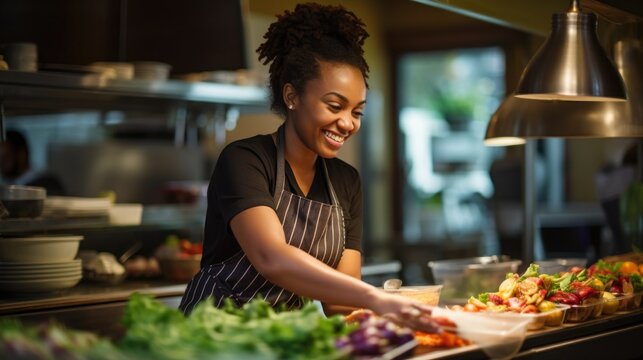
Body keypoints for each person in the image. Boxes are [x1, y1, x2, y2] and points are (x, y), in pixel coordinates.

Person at [179, 3, 426, 319]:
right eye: (334, 106)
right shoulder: (245, 160)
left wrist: (388, 322)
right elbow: (271, 257)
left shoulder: (346, 181)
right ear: (291, 96)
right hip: (213, 336)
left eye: (357, 111)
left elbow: (341, 303)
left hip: (285, 340)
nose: (348, 123)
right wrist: (375, 297)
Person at [0, 129, 66, 195]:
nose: (2, 163)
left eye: (6, 157)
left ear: (21, 155)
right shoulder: (7, 187)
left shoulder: (47, 184)